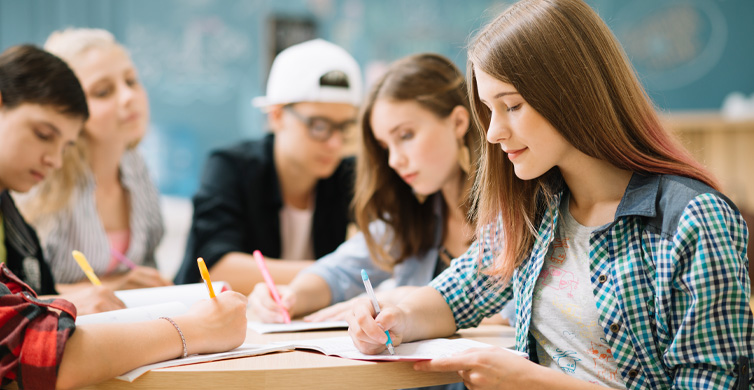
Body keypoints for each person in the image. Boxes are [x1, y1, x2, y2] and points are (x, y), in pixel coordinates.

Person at [346, 1, 753, 389]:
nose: (492, 133)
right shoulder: (535, 208)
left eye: (513, 106)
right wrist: (395, 317)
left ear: (572, 92)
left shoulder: (692, 220)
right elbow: (456, 295)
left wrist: (533, 384)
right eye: (488, 110)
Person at [0, 44, 248, 390]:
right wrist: (194, 329)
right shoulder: (32, 190)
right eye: (44, 135)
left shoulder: (135, 170)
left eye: (133, 81)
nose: (54, 160)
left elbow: (29, 303)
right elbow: (36, 348)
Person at [250, 53, 511, 325]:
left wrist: (408, 300)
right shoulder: (413, 216)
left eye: (406, 136)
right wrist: (290, 296)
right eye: (385, 146)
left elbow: (523, 311)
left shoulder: (515, 209)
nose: (394, 160)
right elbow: (340, 272)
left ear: (458, 122)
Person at [174, 39, 361, 294]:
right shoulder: (231, 167)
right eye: (319, 126)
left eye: (345, 127)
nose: (335, 143)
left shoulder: (347, 175)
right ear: (276, 115)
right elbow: (216, 269)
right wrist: (337, 273)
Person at [18, 28, 170, 292]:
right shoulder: (40, 178)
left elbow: (147, 263)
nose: (128, 97)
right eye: (103, 92)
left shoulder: (135, 165)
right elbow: (19, 293)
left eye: (131, 81)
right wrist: (112, 287)